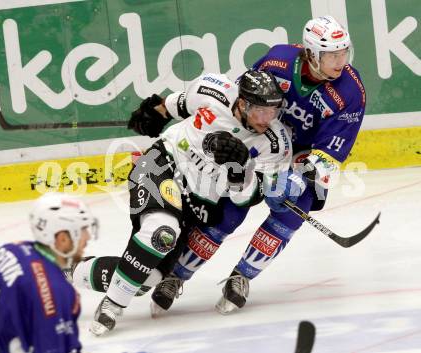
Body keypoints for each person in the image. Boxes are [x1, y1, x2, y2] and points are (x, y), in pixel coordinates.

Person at [124, 15, 366, 315]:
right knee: (227, 212)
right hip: (257, 141)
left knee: (289, 212)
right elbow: (242, 96)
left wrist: (298, 178)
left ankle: (242, 277)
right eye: (332, 54)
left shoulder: (350, 92)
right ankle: (175, 276)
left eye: (344, 53)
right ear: (311, 53)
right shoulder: (278, 60)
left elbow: (332, 151)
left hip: (302, 157)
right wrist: (171, 112)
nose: (340, 61)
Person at [88, 69, 304, 335]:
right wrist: (153, 113)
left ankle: (72, 271)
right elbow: (175, 104)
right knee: (161, 231)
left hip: (198, 200)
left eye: (273, 112)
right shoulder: (213, 89)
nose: (266, 119)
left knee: (147, 277)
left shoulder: (275, 143)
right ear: (242, 103)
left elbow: (247, 197)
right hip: (163, 165)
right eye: (260, 111)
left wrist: (239, 173)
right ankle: (112, 305)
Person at [0, 192, 98, 353]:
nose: (88, 237)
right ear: (62, 238)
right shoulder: (56, 291)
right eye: (83, 229)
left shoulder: (11, 249)